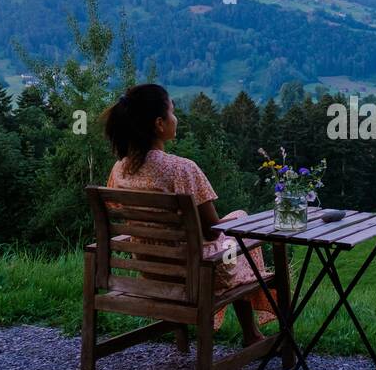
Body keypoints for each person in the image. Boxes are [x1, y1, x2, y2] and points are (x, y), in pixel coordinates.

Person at [103, 83, 276, 332]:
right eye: (173, 112)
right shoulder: (182, 169)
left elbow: (125, 215)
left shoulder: (119, 169)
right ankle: (252, 334)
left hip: (152, 273)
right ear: (159, 124)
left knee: (233, 236)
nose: (177, 118)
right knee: (239, 224)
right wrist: (243, 224)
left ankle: (251, 333)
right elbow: (212, 232)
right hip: (197, 274)